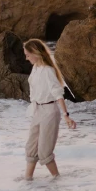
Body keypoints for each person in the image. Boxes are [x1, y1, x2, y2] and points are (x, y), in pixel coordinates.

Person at [23, 38, 76, 180]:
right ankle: (27, 179)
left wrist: (66, 115)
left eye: (28, 54)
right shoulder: (36, 68)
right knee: (31, 147)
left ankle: (57, 180)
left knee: (44, 151)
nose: (26, 58)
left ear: (36, 53)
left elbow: (58, 93)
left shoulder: (48, 70)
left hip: (49, 111)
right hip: (37, 110)